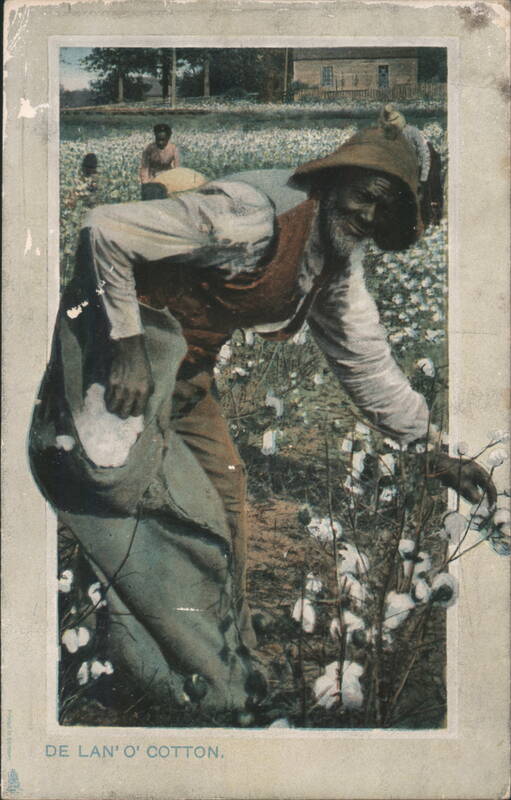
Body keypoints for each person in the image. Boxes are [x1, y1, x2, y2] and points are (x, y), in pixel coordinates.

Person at [31, 127, 494, 718]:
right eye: (368, 193)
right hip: (119, 369)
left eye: (388, 208)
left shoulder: (331, 258)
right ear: (339, 175)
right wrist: (124, 344)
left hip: (186, 379)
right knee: (147, 515)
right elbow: (105, 228)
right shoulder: (251, 216)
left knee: (223, 507)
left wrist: (426, 447)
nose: (369, 214)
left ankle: (223, 661)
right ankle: (134, 669)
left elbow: (365, 359)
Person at [379, 104, 443, 226]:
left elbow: (424, 154)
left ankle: (429, 220)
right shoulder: (392, 137)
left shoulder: (413, 132)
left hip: (423, 163)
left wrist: (423, 177)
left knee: (425, 194)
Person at [139, 123, 180, 199]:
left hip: (168, 177)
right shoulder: (149, 148)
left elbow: (176, 168)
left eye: (163, 140)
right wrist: (145, 183)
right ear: (155, 137)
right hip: (152, 178)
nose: (160, 142)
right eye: (158, 139)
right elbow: (144, 167)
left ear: (168, 138)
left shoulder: (173, 149)